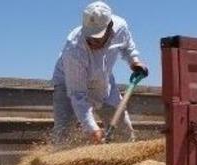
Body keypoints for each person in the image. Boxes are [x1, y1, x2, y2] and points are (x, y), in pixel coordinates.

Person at [51, 1, 148, 145]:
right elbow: (77, 95)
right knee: (64, 134)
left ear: (110, 27)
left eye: (97, 37)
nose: (92, 41)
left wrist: (134, 61)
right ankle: (56, 162)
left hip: (104, 82)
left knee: (124, 131)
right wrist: (92, 129)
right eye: (89, 36)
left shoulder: (120, 27)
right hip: (69, 86)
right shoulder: (74, 50)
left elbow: (127, 46)